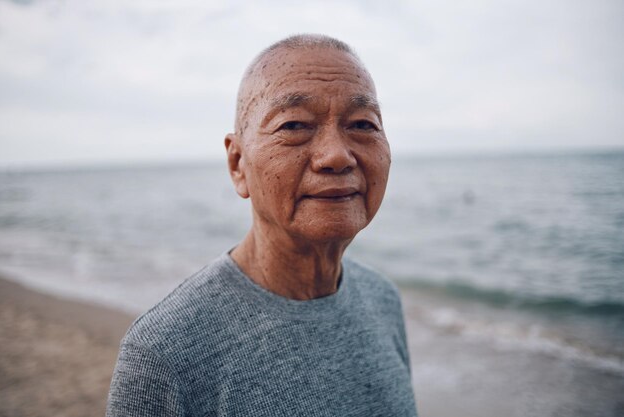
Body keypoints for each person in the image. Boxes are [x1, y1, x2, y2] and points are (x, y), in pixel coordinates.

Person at [106, 34, 418, 417]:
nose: (337, 155)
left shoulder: (382, 299)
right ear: (238, 163)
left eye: (363, 124)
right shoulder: (164, 353)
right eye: (294, 125)